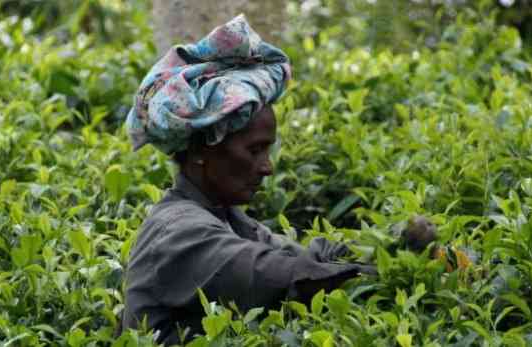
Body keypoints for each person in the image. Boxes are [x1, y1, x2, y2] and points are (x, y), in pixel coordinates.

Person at [121, 15, 380, 345]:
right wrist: (383, 274)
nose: (267, 167)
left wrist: (396, 245)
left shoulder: (227, 219)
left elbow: (308, 257)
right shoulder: (179, 233)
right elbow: (285, 277)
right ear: (202, 150)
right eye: (255, 150)